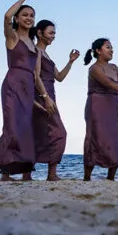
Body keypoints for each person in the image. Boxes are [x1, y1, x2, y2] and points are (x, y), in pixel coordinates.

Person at [0, 0, 38, 181]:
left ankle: (19, 173)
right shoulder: (12, 37)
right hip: (13, 84)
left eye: (32, 15)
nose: (29, 18)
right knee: (12, 128)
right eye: (24, 14)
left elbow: (36, 72)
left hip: (28, 87)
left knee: (25, 128)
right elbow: (6, 15)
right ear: (17, 18)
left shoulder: (32, 42)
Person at [31, 19, 80, 181]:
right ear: (39, 33)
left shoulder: (46, 55)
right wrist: (45, 97)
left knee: (43, 134)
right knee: (59, 133)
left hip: (51, 95)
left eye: (54, 33)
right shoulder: (36, 51)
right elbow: (35, 76)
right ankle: (51, 174)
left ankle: (42, 173)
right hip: (42, 96)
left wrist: (71, 61)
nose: (53, 36)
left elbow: (59, 77)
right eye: (50, 33)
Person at [83, 38, 118, 181]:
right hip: (97, 105)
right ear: (98, 51)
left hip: (112, 106)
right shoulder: (94, 68)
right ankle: (87, 177)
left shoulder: (114, 67)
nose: (111, 50)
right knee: (96, 138)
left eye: (112, 47)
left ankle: (111, 178)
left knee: (117, 138)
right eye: (108, 47)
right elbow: (107, 82)